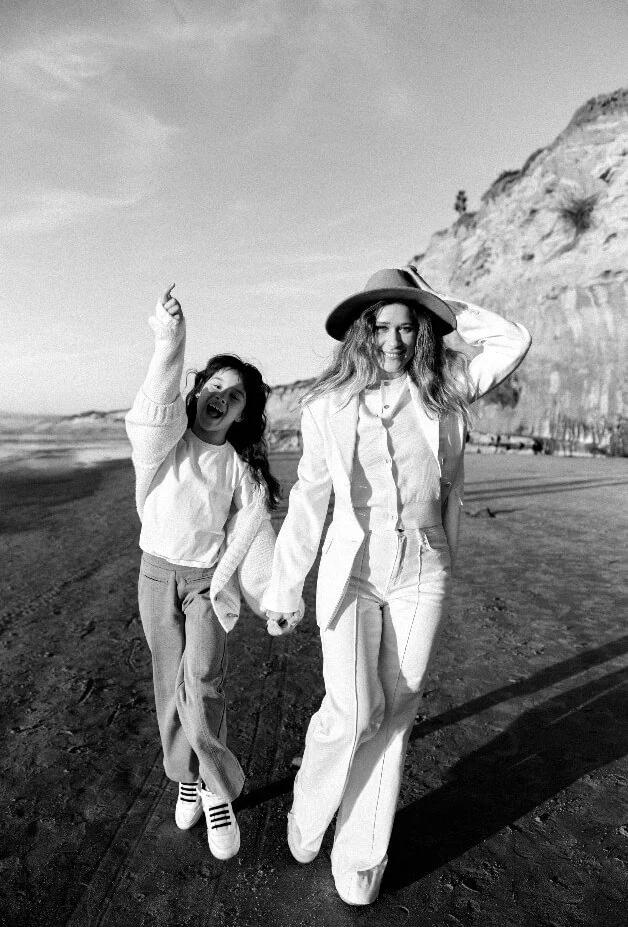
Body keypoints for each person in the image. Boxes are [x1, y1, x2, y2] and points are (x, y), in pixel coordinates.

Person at [264, 267, 531, 904]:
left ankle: (360, 857)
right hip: (352, 574)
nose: (393, 340)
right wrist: (284, 586)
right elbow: (308, 499)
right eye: (381, 326)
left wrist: (439, 303)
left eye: (407, 326)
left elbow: (512, 340)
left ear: (423, 332)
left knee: (397, 713)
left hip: (422, 571)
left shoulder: (447, 392)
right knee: (355, 710)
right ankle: (309, 812)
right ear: (362, 333)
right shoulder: (326, 406)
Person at [125, 285, 301, 861]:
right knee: (166, 682)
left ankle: (218, 790)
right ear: (197, 391)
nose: (221, 396)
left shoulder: (240, 471)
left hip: (205, 584)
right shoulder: (163, 446)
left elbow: (255, 542)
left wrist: (276, 597)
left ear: (246, 414)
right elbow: (152, 405)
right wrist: (170, 338)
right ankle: (186, 779)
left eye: (236, 394)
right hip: (155, 578)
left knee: (202, 681)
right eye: (214, 385)